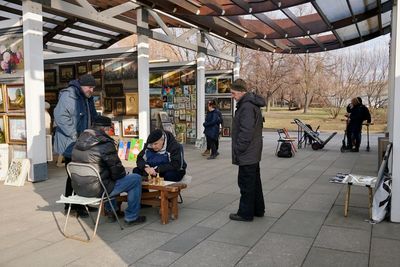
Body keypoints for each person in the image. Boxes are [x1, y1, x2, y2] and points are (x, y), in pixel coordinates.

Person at [71, 116, 146, 226]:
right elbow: (117, 171)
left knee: (107, 177)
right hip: (98, 189)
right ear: (105, 129)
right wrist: (124, 174)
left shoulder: (78, 141)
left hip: (79, 188)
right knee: (135, 179)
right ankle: (131, 217)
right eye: (110, 129)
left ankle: (112, 211)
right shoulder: (104, 143)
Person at [54, 74, 98, 217]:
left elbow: (92, 116)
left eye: (93, 88)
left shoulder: (86, 97)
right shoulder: (69, 95)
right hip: (70, 142)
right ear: (81, 85)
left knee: (81, 174)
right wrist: (74, 135)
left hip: (81, 142)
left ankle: (81, 204)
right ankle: (71, 207)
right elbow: (60, 116)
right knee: (73, 174)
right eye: (89, 87)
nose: (91, 90)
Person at [229, 79, 266, 222]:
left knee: (246, 183)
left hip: (247, 152)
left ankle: (245, 213)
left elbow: (246, 132)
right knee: (254, 182)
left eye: (233, 93)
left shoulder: (246, 107)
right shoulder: (250, 104)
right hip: (252, 152)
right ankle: (258, 209)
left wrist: (239, 149)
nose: (232, 96)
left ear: (241, 92)